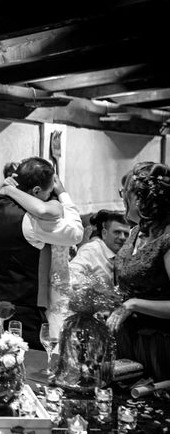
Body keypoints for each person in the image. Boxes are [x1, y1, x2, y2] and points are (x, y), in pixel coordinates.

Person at [0, 156, 84, 349]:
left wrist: (2, 188)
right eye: (48, 193)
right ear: (37, 191)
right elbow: (75, 233)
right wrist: (62, 195)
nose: (50, 197)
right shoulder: (32, 220)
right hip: (21, 312)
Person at [107, 162, 170, 381]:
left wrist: (133, 304)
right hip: (128, 340)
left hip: (158, 347)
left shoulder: (167, 239)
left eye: (125, 192)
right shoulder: (135, 232)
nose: (122, 197)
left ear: (143, 199)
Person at [69, 209, 129, 287]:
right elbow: (72, 275)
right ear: (104, 233)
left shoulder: (127, 253)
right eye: (117, 232)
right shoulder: (91, 250)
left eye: (126, 234)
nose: (122, 237)